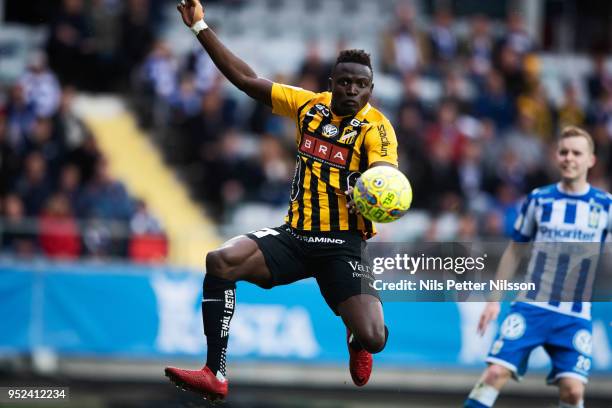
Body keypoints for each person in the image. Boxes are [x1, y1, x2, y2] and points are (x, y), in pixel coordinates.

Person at [165, 0, 399, 401]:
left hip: (342, 245)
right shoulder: (309, 105)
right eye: (345, 82)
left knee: (374, 337)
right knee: (220, 261)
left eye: (361, 85)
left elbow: (384, 176)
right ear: (332, 82)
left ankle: (356, 339)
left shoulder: (378, 130)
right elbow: (245, 79)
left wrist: (364, 186)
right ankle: (215, 371)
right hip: (295, 235)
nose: (352, 90)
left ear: (371, 90)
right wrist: (200, 26)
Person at [464, 126, 612, 408]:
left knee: (572, 392)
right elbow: (514, 251)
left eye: (577, 153)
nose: (569, 158)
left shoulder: (605, 206)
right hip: (532, 307)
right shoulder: (539, 199)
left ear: (591, 160)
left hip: (574, 315)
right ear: (557, 157)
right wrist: (494, 300)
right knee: (494, 372)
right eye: (564, 152)